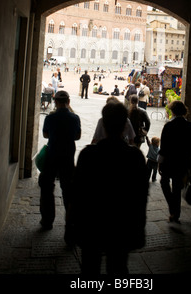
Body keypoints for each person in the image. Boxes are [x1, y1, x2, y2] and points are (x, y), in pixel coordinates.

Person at [71, 101, 148, 275]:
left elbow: (77, 195)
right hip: (121, 226)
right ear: (125, 125)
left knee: (90, 269)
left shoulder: (87, 155)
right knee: (119, 268)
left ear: (103, 124)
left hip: (92, 226)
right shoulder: (135, 157)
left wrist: (74, 225)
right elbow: (140, 197)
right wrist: (138, 228)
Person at [38, 91, 81, 241]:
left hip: (52, 155)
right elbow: (77, 136)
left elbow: (45, 135)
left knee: (46, 186)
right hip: (68, 156)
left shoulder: (50, 117)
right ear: (69, 100)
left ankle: (47, 220)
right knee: (69, 190)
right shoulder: (75, 118)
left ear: (54, 101)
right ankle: (70, 225)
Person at [158, 100, 191, 223]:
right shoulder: (190, 126)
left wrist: (160, 161)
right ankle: (176, 213)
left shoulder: (169, 126)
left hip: (169, 160)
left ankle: (173, 208)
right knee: (176, 186)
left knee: (164, 182)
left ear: (172, 111)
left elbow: (163, 146)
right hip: (182, 161)